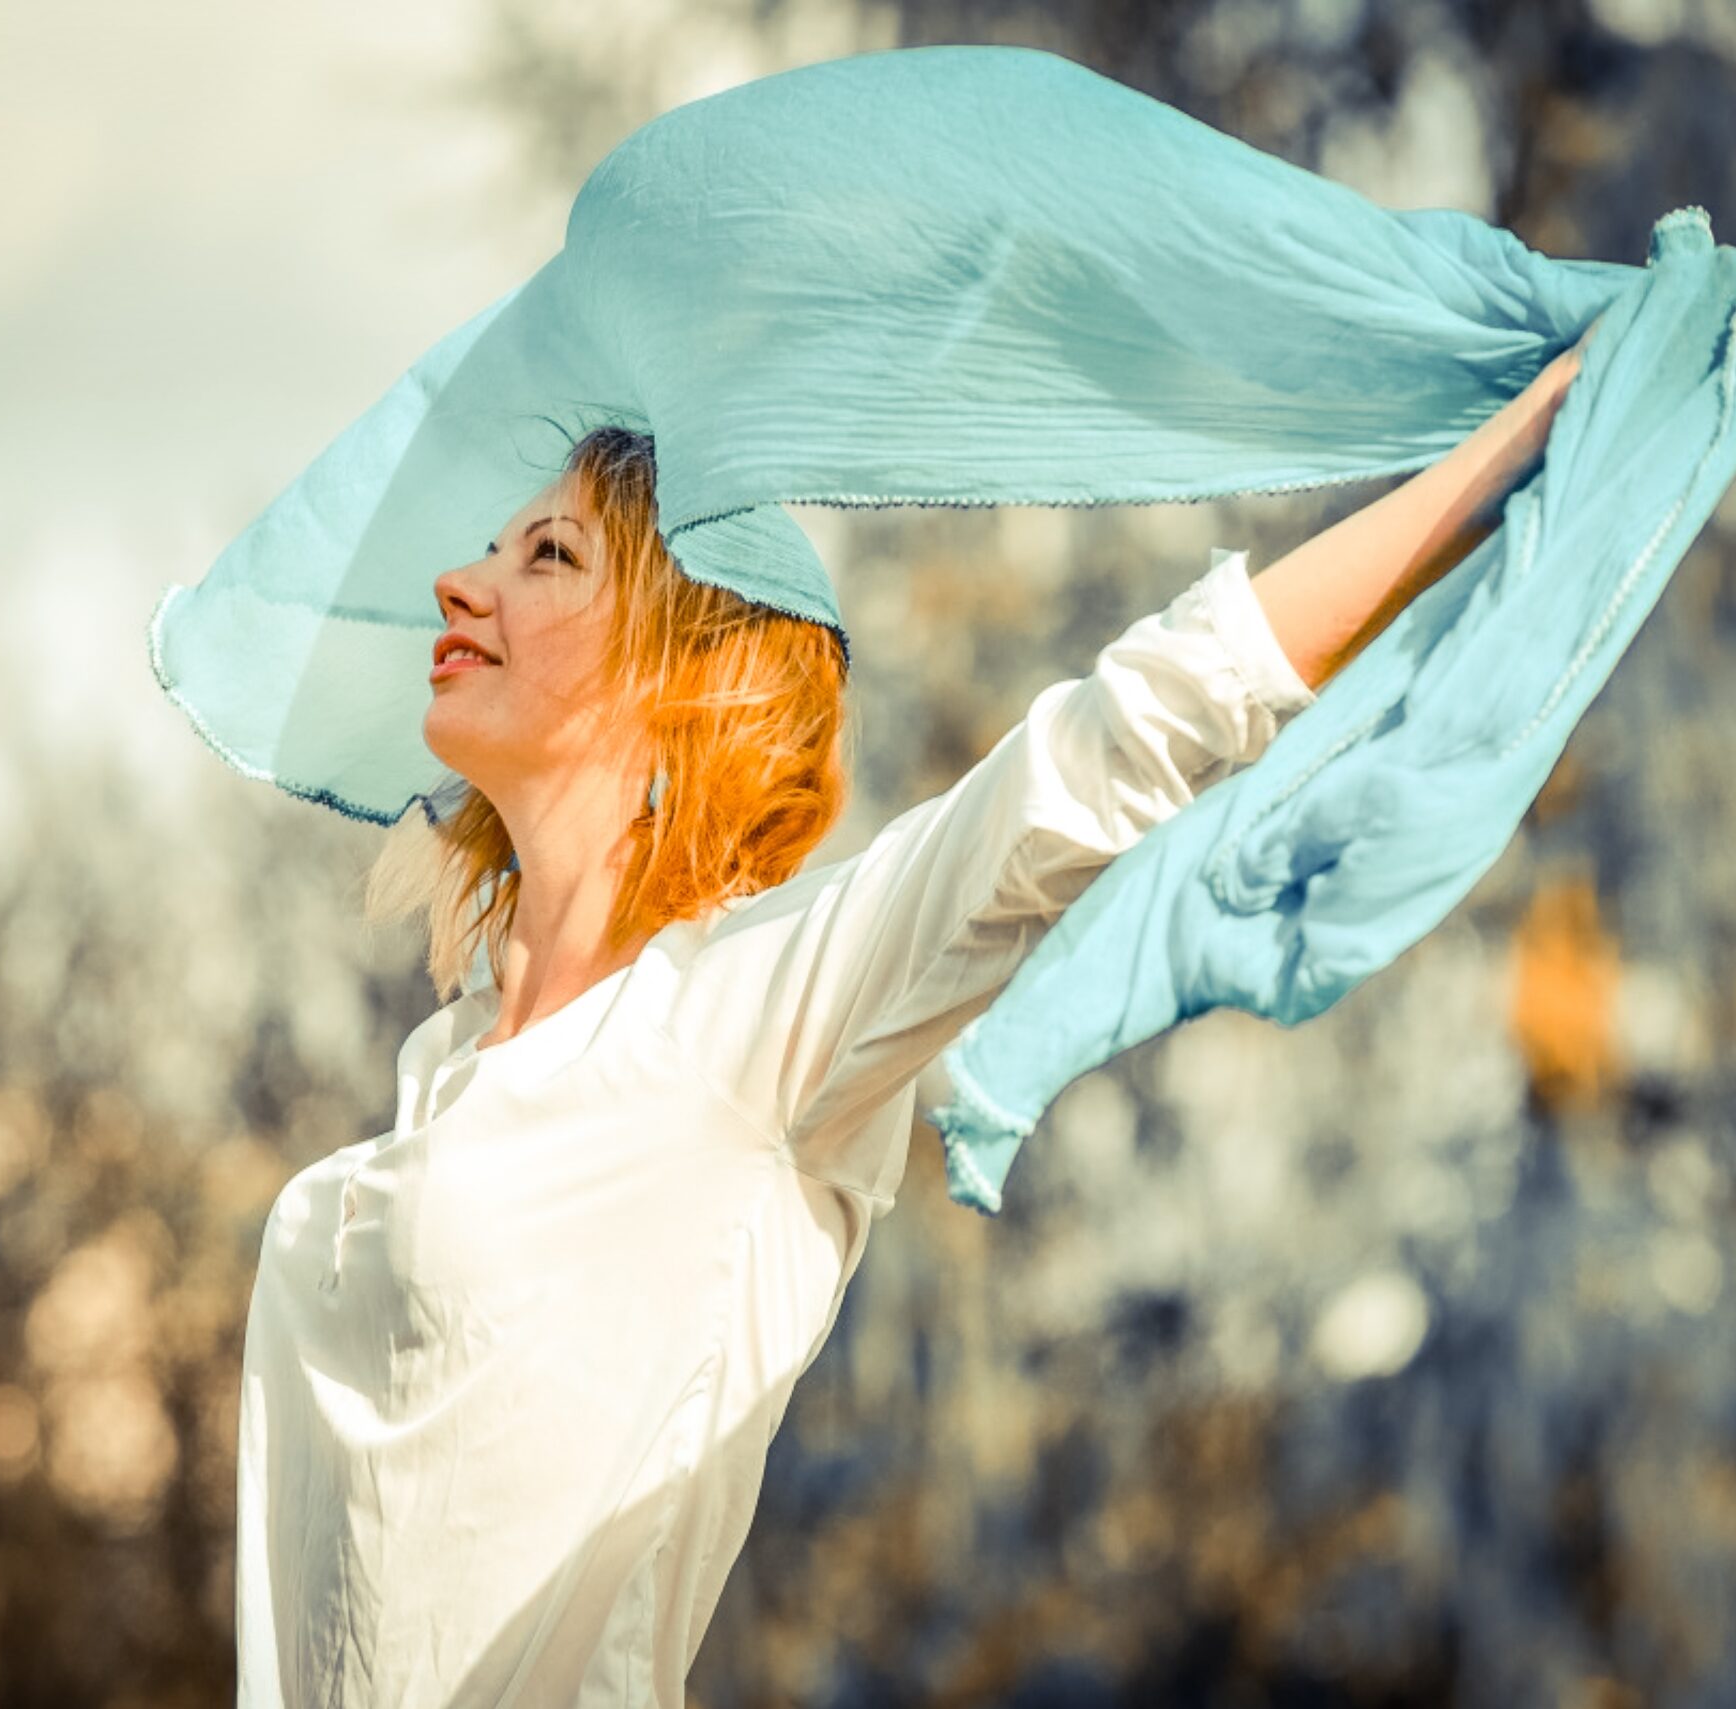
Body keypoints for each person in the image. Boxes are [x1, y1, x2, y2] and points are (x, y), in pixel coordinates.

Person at [231, 336, 1587, 1705]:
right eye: (494, 549)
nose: (460, 584)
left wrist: (1509, 452)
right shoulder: (449, 1063)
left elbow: (1127, 730)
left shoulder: (746, 1019)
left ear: (684, 674)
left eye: (550, 557)